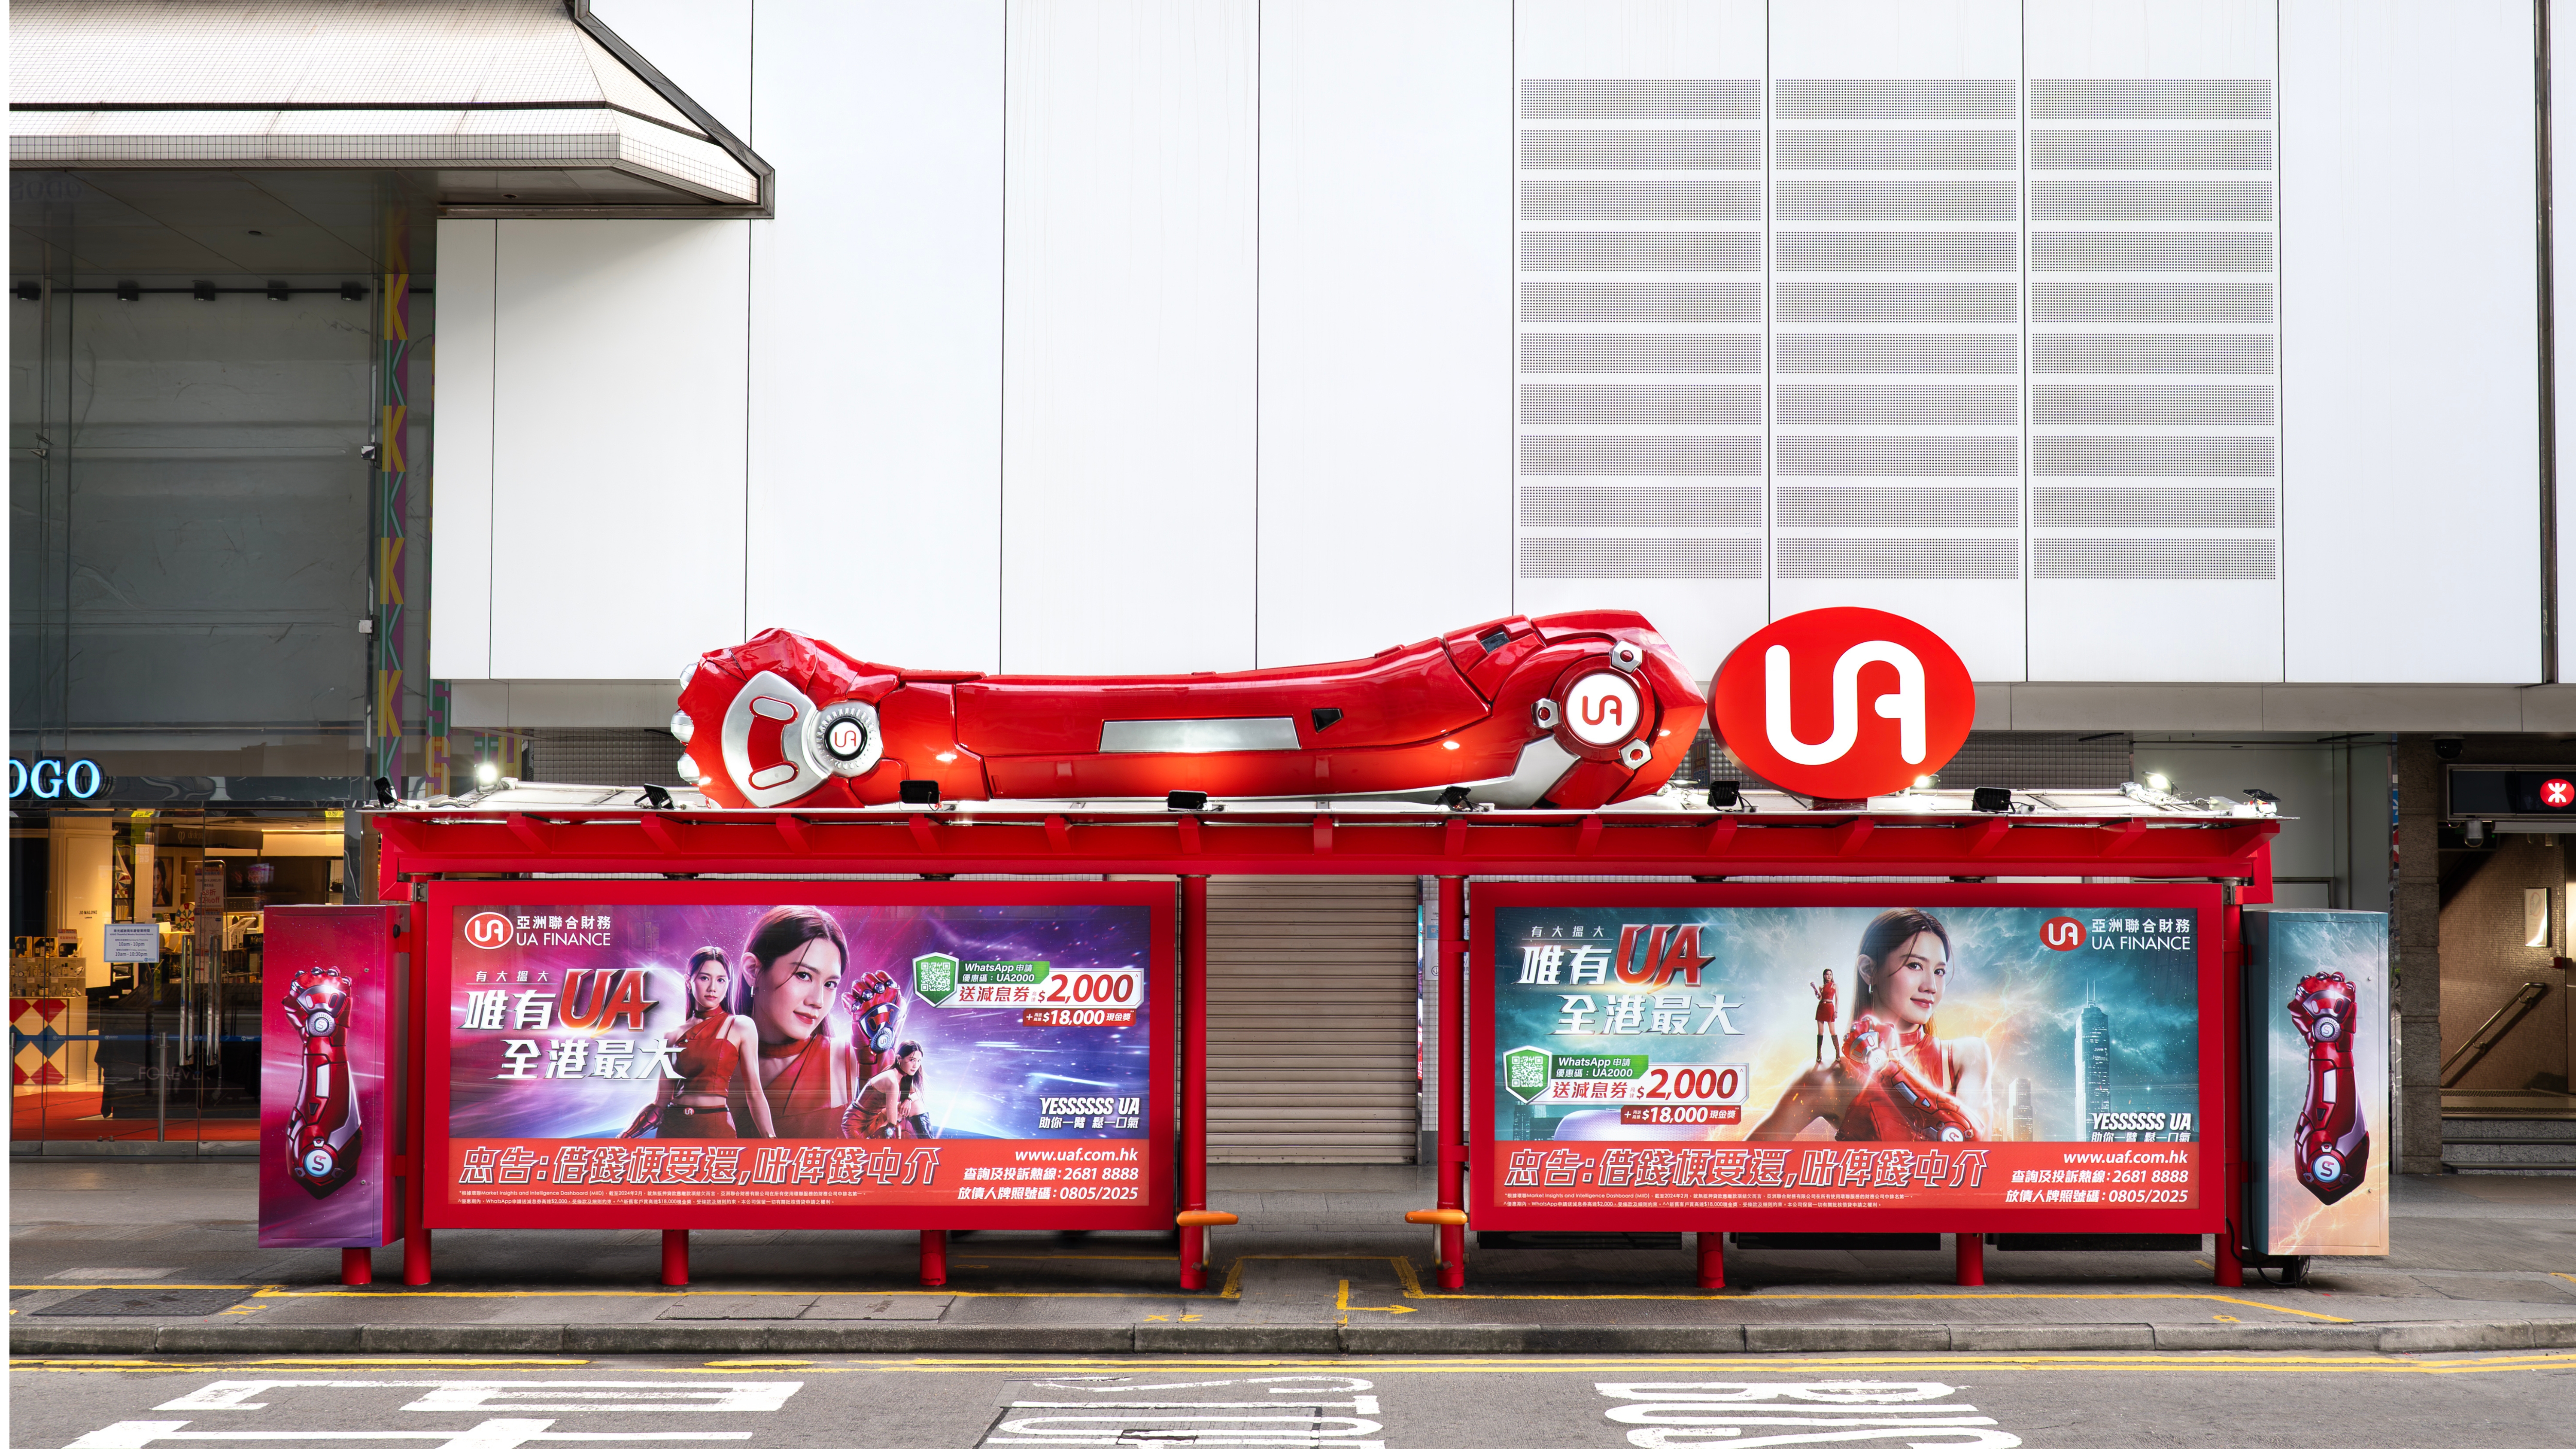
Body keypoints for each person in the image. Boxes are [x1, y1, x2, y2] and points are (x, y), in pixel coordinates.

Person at [1747, 908, 1991, 1142]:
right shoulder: (1828, 1078)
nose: (1931, 986)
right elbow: (1746, 1163)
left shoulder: (1967, 1056)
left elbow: (1973, 1145)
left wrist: (1888, 1068)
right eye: (1915, 965)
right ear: (1868, 970)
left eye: (1939, 971)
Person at [624, 947, 774, 1139]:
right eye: (705, 978)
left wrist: (771, 1140)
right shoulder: (672, 1035)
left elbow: (755, 1094)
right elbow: (660, 1103)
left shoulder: (740, 1026)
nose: (713, 988)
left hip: (715, 1128)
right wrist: (625, 1137)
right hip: (672, 1129)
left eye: (721, 980)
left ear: (728, 983)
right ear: (688, 981)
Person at [731, 905, 855, 1138]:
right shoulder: (705, 1061)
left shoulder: (849, 1060)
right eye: (803, 975)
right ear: (752, 970)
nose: (818, 1001)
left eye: (830, 984)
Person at [848, 1039, 932, 1138]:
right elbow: (892, 1123)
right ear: (899, 1059)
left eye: (919, 1061)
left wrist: (909, 1100)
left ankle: (928, 1142)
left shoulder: (901, 1076)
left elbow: (916, 1093)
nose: (916, 1066)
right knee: (911, 1108)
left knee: (916, 1105)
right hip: (857, 1125)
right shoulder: (892, 1081)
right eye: (912, 1060)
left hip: (874, 1118)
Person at [1811, 966, 1839, 1066]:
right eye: (1827, 974)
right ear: (1824, 976)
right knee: (1820, 1032)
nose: (1829, 976)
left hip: (1830, 1008)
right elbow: (1819, 997)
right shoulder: (1821, 987)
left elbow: (1837, 999)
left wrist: (1836, 1011)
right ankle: (1819, 1055)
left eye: (1831, 975)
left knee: (1833, 1032)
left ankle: (1838, 1054)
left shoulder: (1835, 986)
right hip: (1821, 1008)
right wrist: (1814, 988)